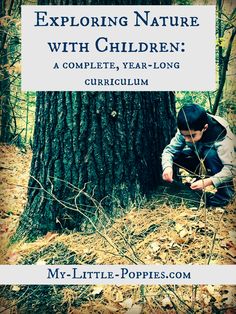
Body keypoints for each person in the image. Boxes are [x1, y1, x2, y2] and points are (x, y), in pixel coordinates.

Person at [161, 104, 235, 207]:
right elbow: (169, 151)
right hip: (198, 157)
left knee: (210, 154)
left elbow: (231, 169)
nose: (186, 139)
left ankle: (225, 196)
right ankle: (195, 181)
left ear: (205, 128)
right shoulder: (189, 127)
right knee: (177, 155)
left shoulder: (223, 138)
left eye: (191, 136)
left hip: (216, 162)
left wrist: (208, 182)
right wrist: (167, 167)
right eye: (184, 135)